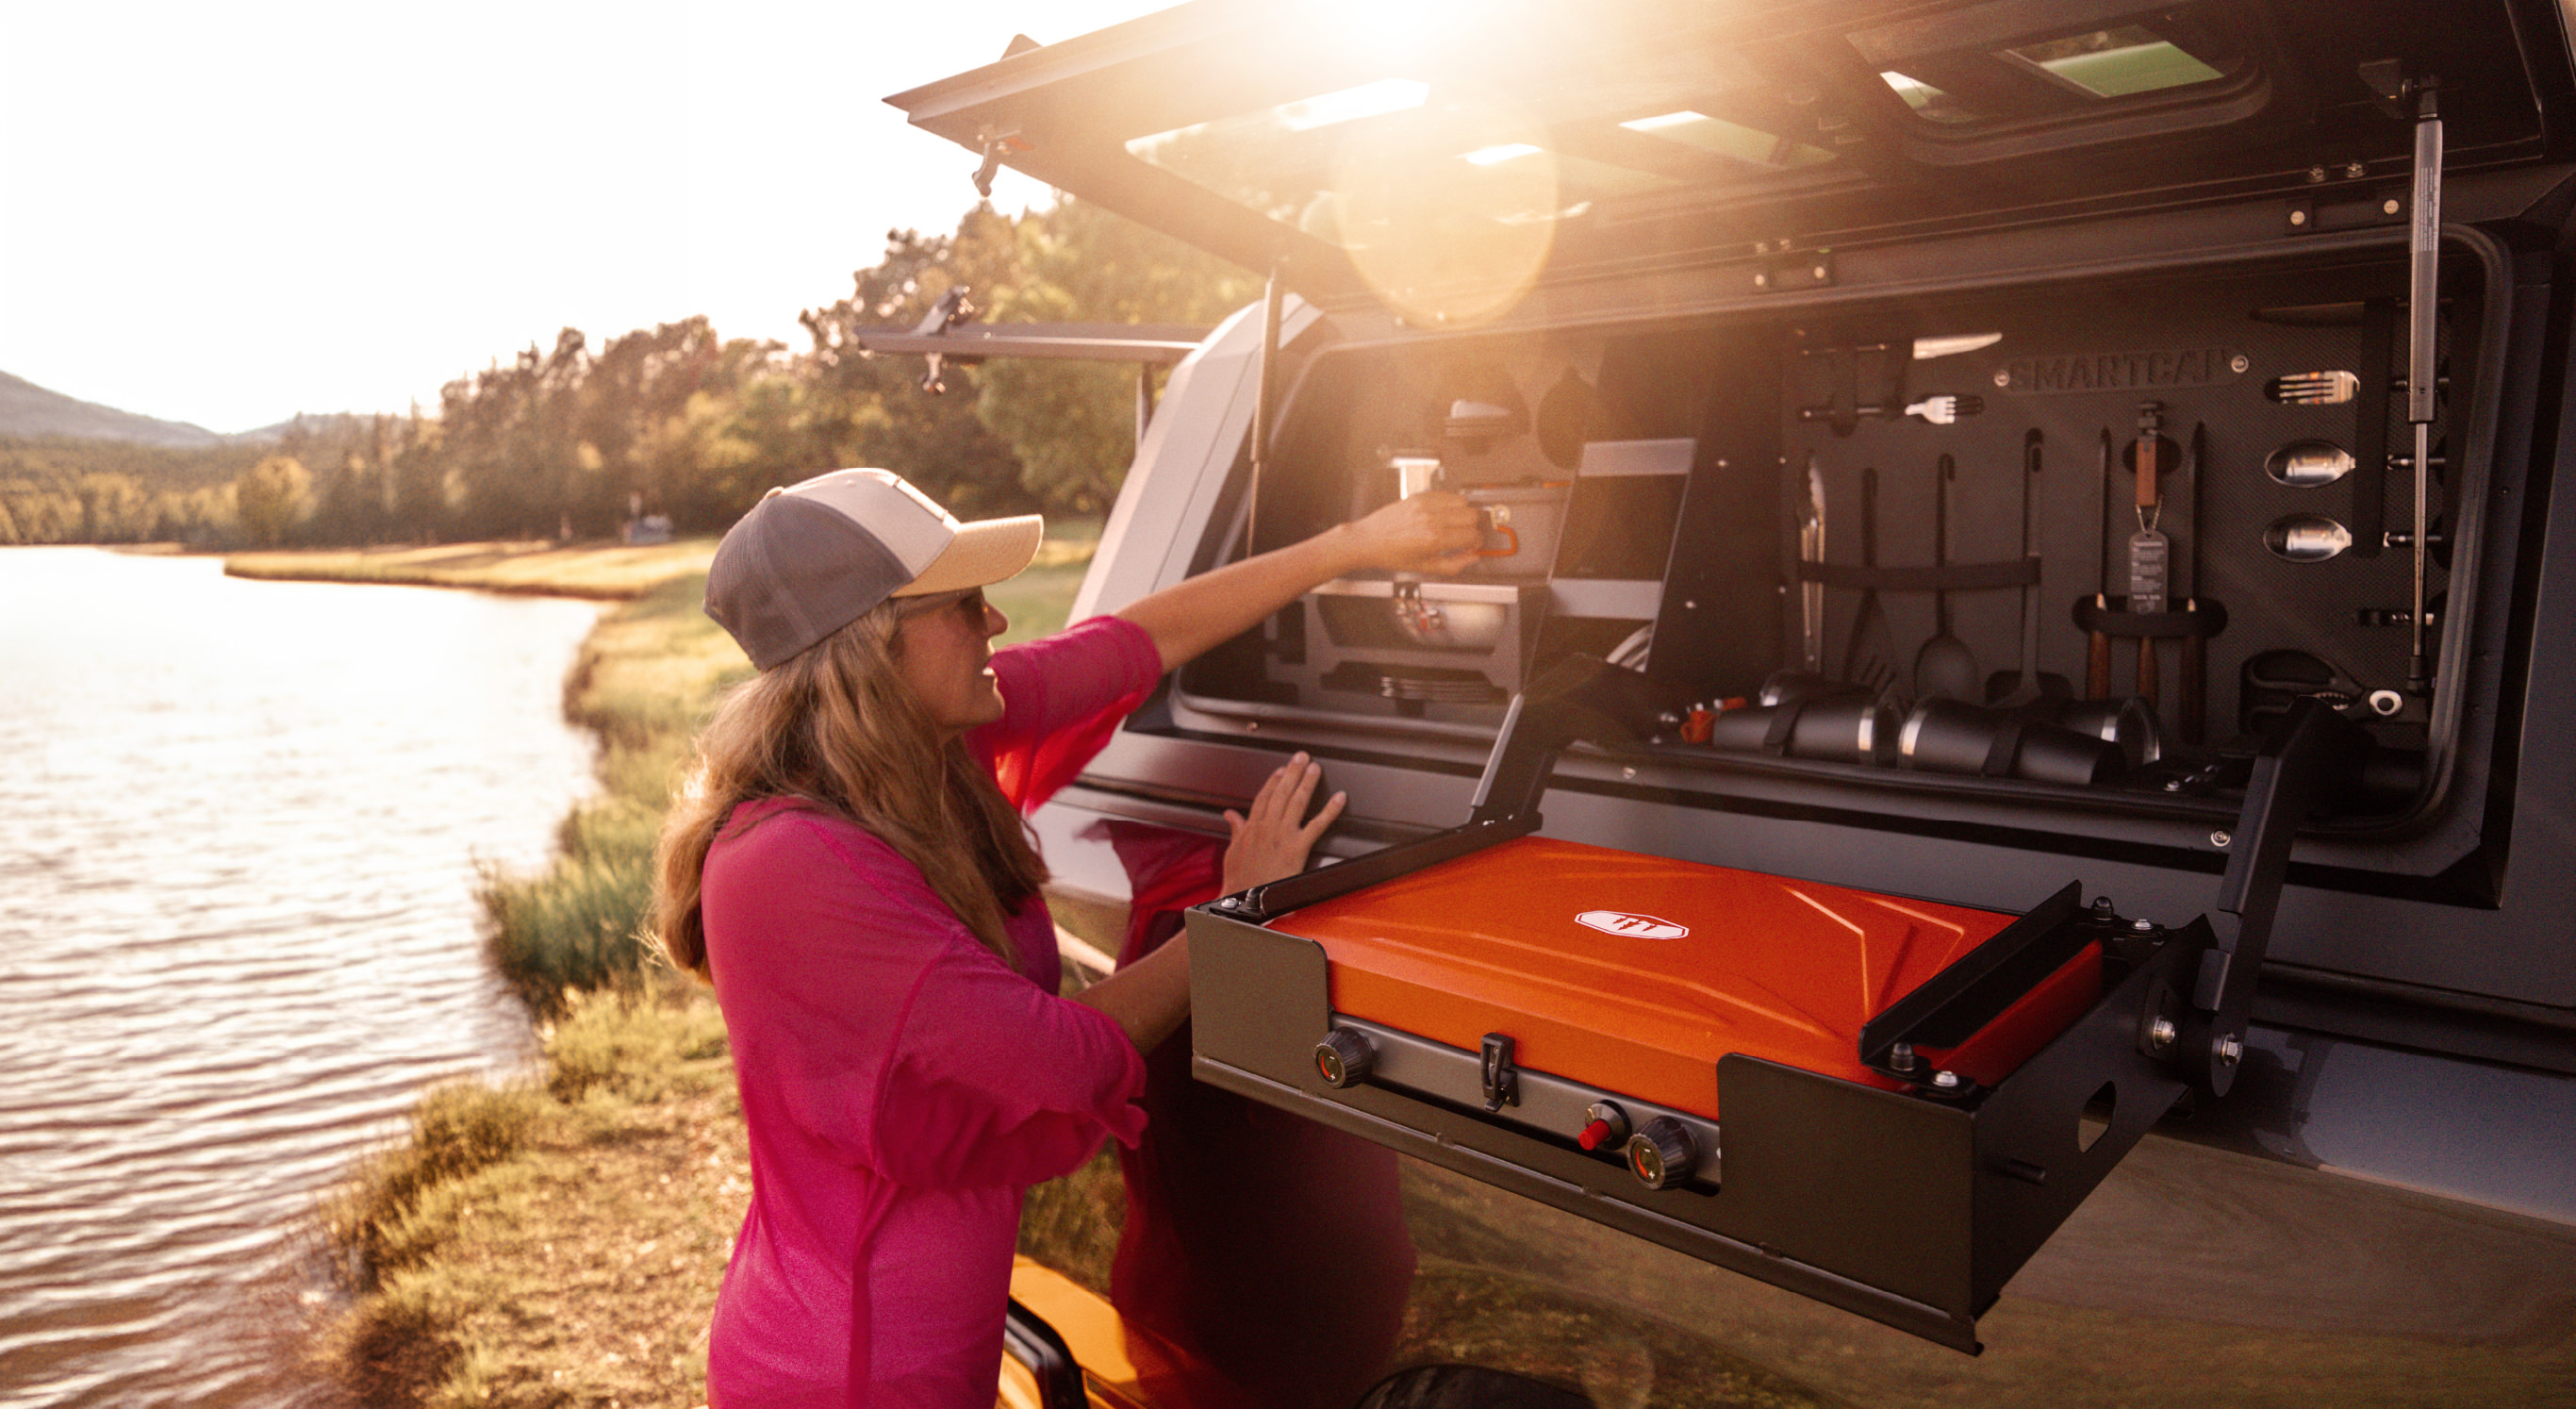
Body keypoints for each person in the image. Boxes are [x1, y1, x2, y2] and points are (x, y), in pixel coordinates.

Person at [651, 467, 1478, 1408]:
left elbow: (1138, 639)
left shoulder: (934, 753)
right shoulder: (794, 865)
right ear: (869, 645)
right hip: (850, 1366)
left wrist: (1353, 544)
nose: (994, 623)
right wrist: (1236, 912)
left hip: (926, 1341)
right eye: (963, 603)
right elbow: (1059, 1056)